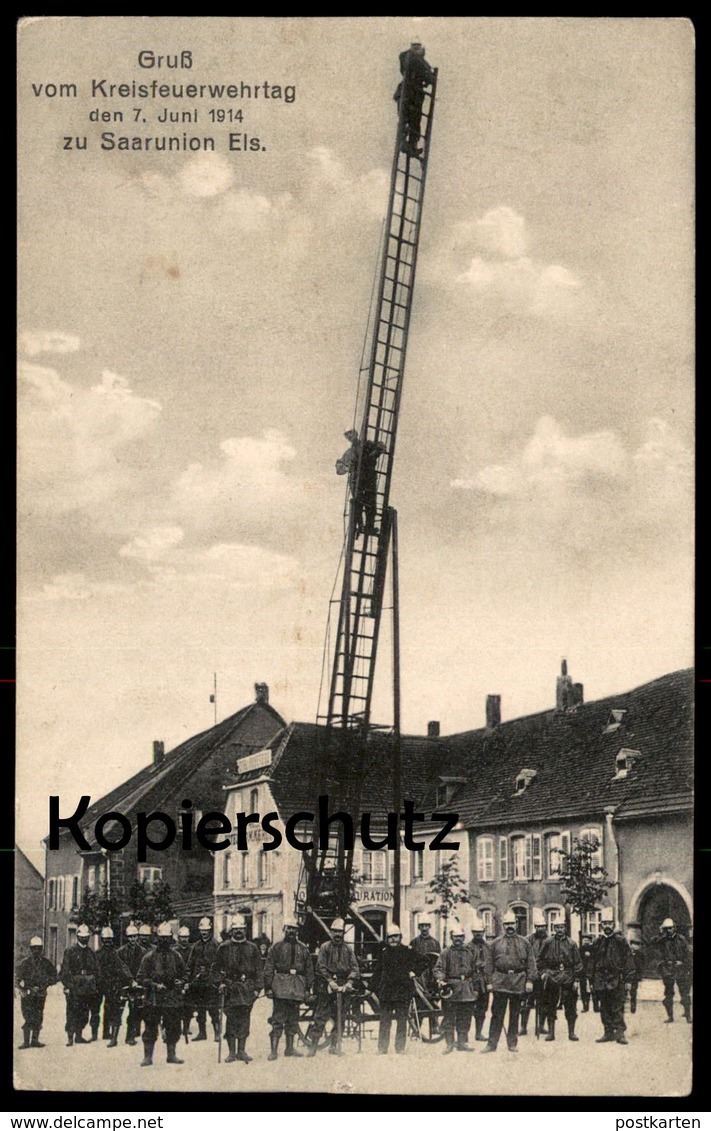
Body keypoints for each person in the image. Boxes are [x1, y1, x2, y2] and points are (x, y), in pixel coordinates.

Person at [481, 911, 537, 1054]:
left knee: (515, 1014)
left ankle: (512, 1043)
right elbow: (489, 964)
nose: (509, 926)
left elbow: (531, 963)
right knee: (497, 1014)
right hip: (500, 981)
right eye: (507, 924)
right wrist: (489, 982)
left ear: (516, 924)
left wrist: (530, 981)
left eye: (512, 923)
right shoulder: (495, 943)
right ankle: (491, 1044)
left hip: (518, 981)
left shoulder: (525, 942)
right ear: (503, 925)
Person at [213, 914, 263, 1064]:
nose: (239, 932)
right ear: (231, 931)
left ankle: (241, 1051)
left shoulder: (253, 948)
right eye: (236, 929)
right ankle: (231, 1052)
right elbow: (215, 969)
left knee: (244, 1019)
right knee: (231, 1019)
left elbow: (259, 970)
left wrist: (257, 989)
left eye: (241, 929)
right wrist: (219, 983)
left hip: (247, 988)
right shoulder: (224, 947)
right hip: (230, 988)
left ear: (245, 930)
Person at [306, 917, 360, 1057]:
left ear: (343, 933)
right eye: (335, 932)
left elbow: (355, 968)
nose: (337, 935)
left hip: (343, 985)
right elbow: (320, 967)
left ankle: (334, 1045)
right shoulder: (325, 947)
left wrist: (349, 983)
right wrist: (330, 981)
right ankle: (313, 1046)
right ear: (330, 932)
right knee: (321, 1016)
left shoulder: (348, 949)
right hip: (327, 984)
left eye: (340, 932)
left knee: (341, 1017)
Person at [370, 922, 428, 1054]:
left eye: (396, 936)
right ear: (387, 939)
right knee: (385, 1021)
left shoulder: (408, 951)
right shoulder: (384, 953)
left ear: (400, 937)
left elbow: (425, 960)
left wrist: (415, 972)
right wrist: (370, 988)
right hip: (387, 992)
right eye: (390, 937)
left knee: (402, 1021)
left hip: (403, 991)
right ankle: (382, 1048)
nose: (393, 939)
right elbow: (378, 971)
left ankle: (400, 1047)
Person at [137, 922, 187, 1066]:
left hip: (172, 998)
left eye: (167, 938)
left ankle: (171, 1055)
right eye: (161, 938)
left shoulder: (177, 956)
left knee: (173, 1027)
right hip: (154, 999)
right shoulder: (149, 957)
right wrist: (154, 985)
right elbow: (141, 977)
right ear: (157, 938)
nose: (164, 941)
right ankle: (148, 1057)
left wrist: (181, 982)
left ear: (171, 938)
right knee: (150, 1028)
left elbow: (185, 973)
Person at [263, 918, 314, 1060]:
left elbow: (309, 970)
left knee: (293, 1018)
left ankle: (290, 1049)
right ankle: (274, 1050)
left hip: (297, 986)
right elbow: (269, 968)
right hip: (280, 986)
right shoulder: (276, 947)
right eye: (289, 928)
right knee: (278, 1019)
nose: (292, 931)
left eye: (294, 929)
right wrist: (268, 987)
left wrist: (308, 988)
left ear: (297, 931)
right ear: (284, 929)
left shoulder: (303, 948)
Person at [590, 908, 636, 1045]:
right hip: (601, 980)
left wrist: (628, 979)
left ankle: (620, 1033)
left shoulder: (620, 941)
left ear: (613, 925)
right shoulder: (598, 942)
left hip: (617, 979)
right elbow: (592, 962)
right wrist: (591, 980)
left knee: (617, 1006)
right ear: (601, 925)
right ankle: (608, 1032)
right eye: (604, 924)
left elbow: (628, 960)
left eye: (610, 923)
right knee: (604, 1007)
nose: (607, 926)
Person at [434, 920, 478, 1054]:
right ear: (451, 937)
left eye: (460, 936)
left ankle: (462, 1042)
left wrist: (475, 988)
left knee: (465, 1017)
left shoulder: (470, 952)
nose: (458, 939)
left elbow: (476, 970)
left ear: (464, 937)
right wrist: (441, 980)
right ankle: (449, 1044)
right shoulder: (445, 952)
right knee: (449, 1018)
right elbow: (438, 969)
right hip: (451, 989)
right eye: (455, 936)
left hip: (467, 989)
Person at [537, 917, 583, 1042]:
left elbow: (578, 963)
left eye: (561, 927)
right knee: (550, 1005)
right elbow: (539, 960)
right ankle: (551, 1033)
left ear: (565, 928)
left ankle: (571, 1032)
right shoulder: (547, 942)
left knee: (571, 1006)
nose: (559, 930)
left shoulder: (572, 944)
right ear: (554, 928)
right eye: (557, 927)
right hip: (552, 976)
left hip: (568, 977)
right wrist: (543, 973)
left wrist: (577, 979)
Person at [336, 430, 387, 536]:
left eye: (351, 434)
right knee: (357, 503)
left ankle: (369, 527)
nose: (349, 437)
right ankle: (360, 525)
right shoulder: (349, 452)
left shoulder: (367, 444)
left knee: (371, 504)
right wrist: (346, 467)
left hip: (369, 478)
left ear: (356, 433)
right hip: (356, 480)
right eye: (347, 435)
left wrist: (375, 453)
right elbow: (339, 468)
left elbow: (381, 446)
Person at [60, 923, 99, 1047]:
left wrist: (93, 982)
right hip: (74, 988)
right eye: (81, 937)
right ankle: (70, 1037)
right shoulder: (70, 951)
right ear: (77, 937)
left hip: (86, 988)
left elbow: (96, 970)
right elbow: (65, 971)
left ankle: (79, 1035)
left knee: (84, 1012)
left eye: (86, 937)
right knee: (72, 1012)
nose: (84, 939)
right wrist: (68, 986)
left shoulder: (91, 953)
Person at [16, 936, 58, 1049]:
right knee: (28, 1016)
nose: (36, 951)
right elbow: (17, 978)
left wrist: (45, 984)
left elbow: (55, 976)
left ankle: (35, 1040)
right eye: (34, 948)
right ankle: (26, 1041)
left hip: (40, 994)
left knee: (38, 1016)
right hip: (28, 995)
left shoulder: (46, 963)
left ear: (42, 949)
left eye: (38, 948)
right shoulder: (24, 963)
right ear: (30, 949)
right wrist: (23, 988)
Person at [394, 42, 435, 159]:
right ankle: (408, 144)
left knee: (407, 120)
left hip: (406, 94)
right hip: (412, 95)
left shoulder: (406, 58)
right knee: (412, 121)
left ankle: (408, 144)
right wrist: (429, 78)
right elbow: (430, 78)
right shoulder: (415, 59)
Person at [96, 927, 134, 1048]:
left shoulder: (115, 953)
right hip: (100, 984)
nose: (108, 942)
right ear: (102, 940)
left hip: (113, 984)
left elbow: (122, 967)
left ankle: (112, 1035)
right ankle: (101, 1031)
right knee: (97, 1008)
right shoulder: (97, 954)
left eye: (110, 940)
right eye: (106, 940)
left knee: (113, 1008)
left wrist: (130, 979)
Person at [187, 916, 221, 1042]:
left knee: (213, 1008)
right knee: (200, 1008)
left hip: (211, 982)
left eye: (206, 930)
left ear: (210, 930)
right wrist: (189, 979)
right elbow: (190, 963)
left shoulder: (216, 945)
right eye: (202, 930)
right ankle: (202, 1032)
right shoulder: (196, 946)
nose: (204, 932)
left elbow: (220, 963)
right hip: (198, 981)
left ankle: (217, 1032)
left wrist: (217, 979)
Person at [655, 918, 692, 1024]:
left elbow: (688, 955)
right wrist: (660, 932)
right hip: (668, 969)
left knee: (684, 993)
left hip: (680, 969)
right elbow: (653, 943)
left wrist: (684, 963)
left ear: (674, 928)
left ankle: (688, 1015)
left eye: (670, 928)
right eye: (666, 929)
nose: (668, 931)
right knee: (668, 994)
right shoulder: (662, 940)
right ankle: (670, 1016)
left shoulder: (681, 939)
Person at [519, 909, 548, 1036]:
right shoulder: (527, 940)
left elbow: (551, 959)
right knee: (526, 1002)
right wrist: (529, 972)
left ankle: (541, 1025)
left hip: (544, 975)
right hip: (530, 975)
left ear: (546, 927)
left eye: (542, 926)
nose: (540, 929)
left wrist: (545, 972)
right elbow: (523, 957)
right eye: (538, 926)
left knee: (543, 1002)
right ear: (535, 927)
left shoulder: (550, 940)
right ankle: (523, 1026)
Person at [117, 923, 144, 1045]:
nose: (133, 939)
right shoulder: (121, 952)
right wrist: (129, 980)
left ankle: (130, 1036)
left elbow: (144, 968)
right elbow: (121, 967)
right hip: (124, 984)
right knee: (118, 1010)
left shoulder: (142, 951)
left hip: (137, 984)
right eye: (130, 937)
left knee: (134, 1011)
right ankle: (114, 1037)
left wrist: (138, 981)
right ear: (127, 937)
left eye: (135, 937)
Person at [466, 913, 490, 1042]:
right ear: (472, 932)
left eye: (480, 932)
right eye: (475, 932)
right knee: (469, 1007)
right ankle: (465, 1035)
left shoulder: (488, 947)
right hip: (472, 982)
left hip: (484, 983)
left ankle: (479, 1033)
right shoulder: (467, 948)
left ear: (484, 932)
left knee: (482, 1008)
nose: (478, 934)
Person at [176, 926, 194, 1040]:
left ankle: (186, 1027)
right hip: (177, 979)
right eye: (182, 937)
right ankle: (176, 1027)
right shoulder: (175, 950)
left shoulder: (192, 949)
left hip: (190, 979)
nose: (184, 939)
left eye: (186, 937)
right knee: (177, 1005)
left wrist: (189, 981)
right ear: (179, 938)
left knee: (189, 1005)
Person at [579, 932, 598, 1013]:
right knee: (583, 990)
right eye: (584, 940)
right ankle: (585, 1006)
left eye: (587, 940)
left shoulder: (593, 949)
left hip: (592, 972)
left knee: (594, 990)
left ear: (590, 941)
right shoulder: (580, 949)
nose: (586, 941)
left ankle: (596, 1007)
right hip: (582, 972)